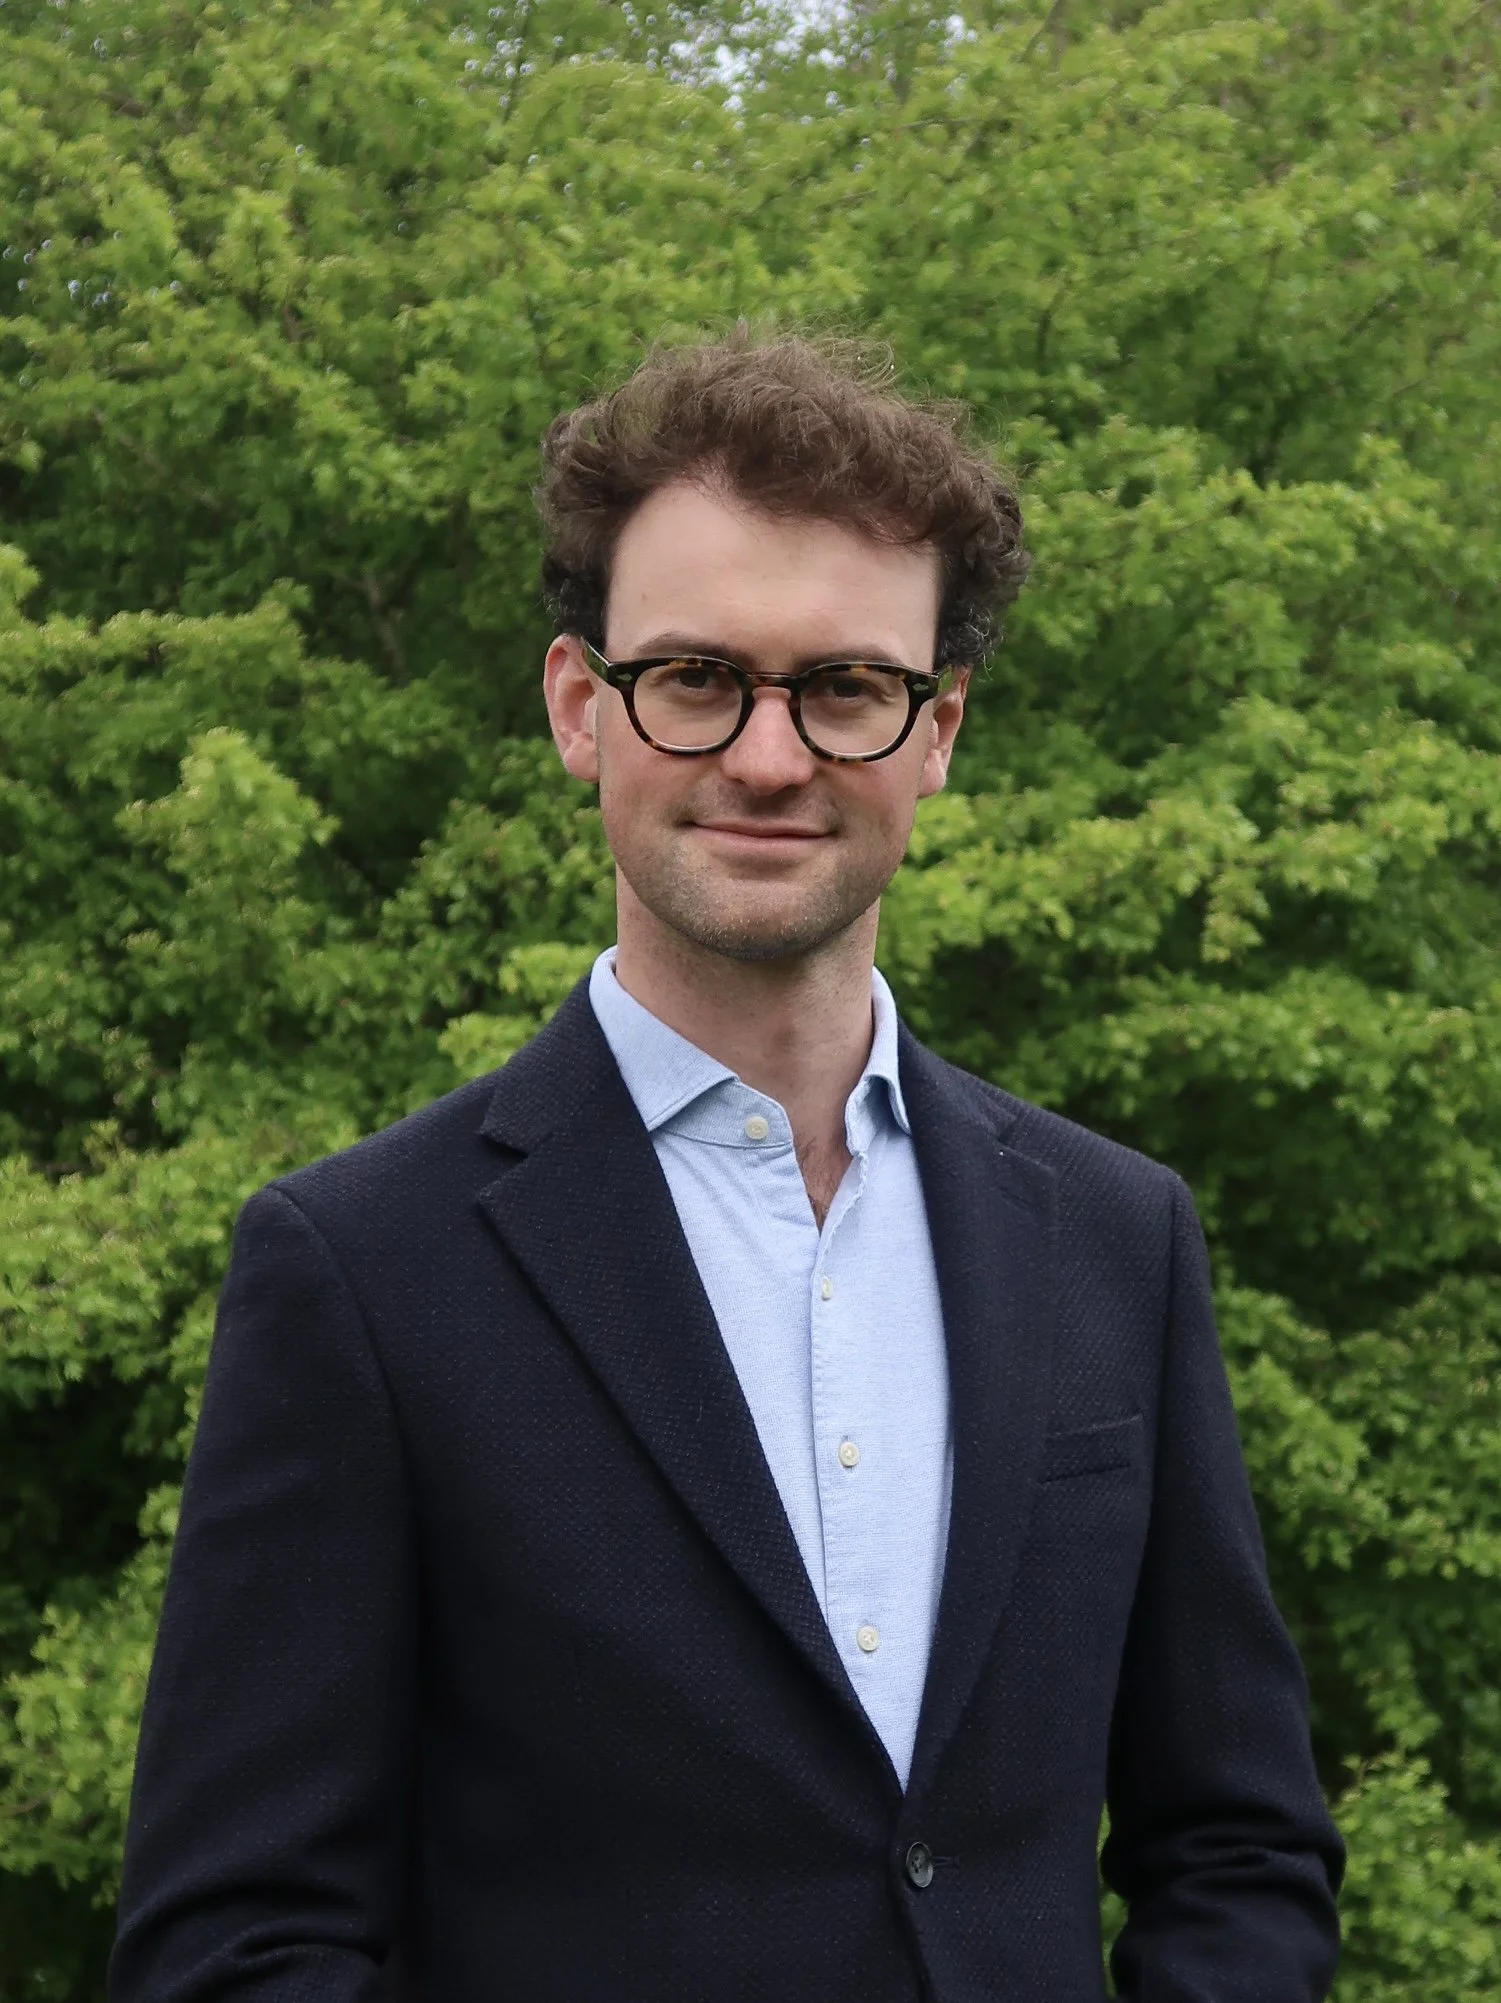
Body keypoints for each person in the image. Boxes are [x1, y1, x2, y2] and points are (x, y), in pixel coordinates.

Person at [110, 334, 1344, 2002]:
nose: (770, 757)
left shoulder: (1118, 1237)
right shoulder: (359, 1269)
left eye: (845, 686)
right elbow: (237, 1944)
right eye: (695, 676)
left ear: (940, 731)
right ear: (578, 706)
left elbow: (1240, 1852)